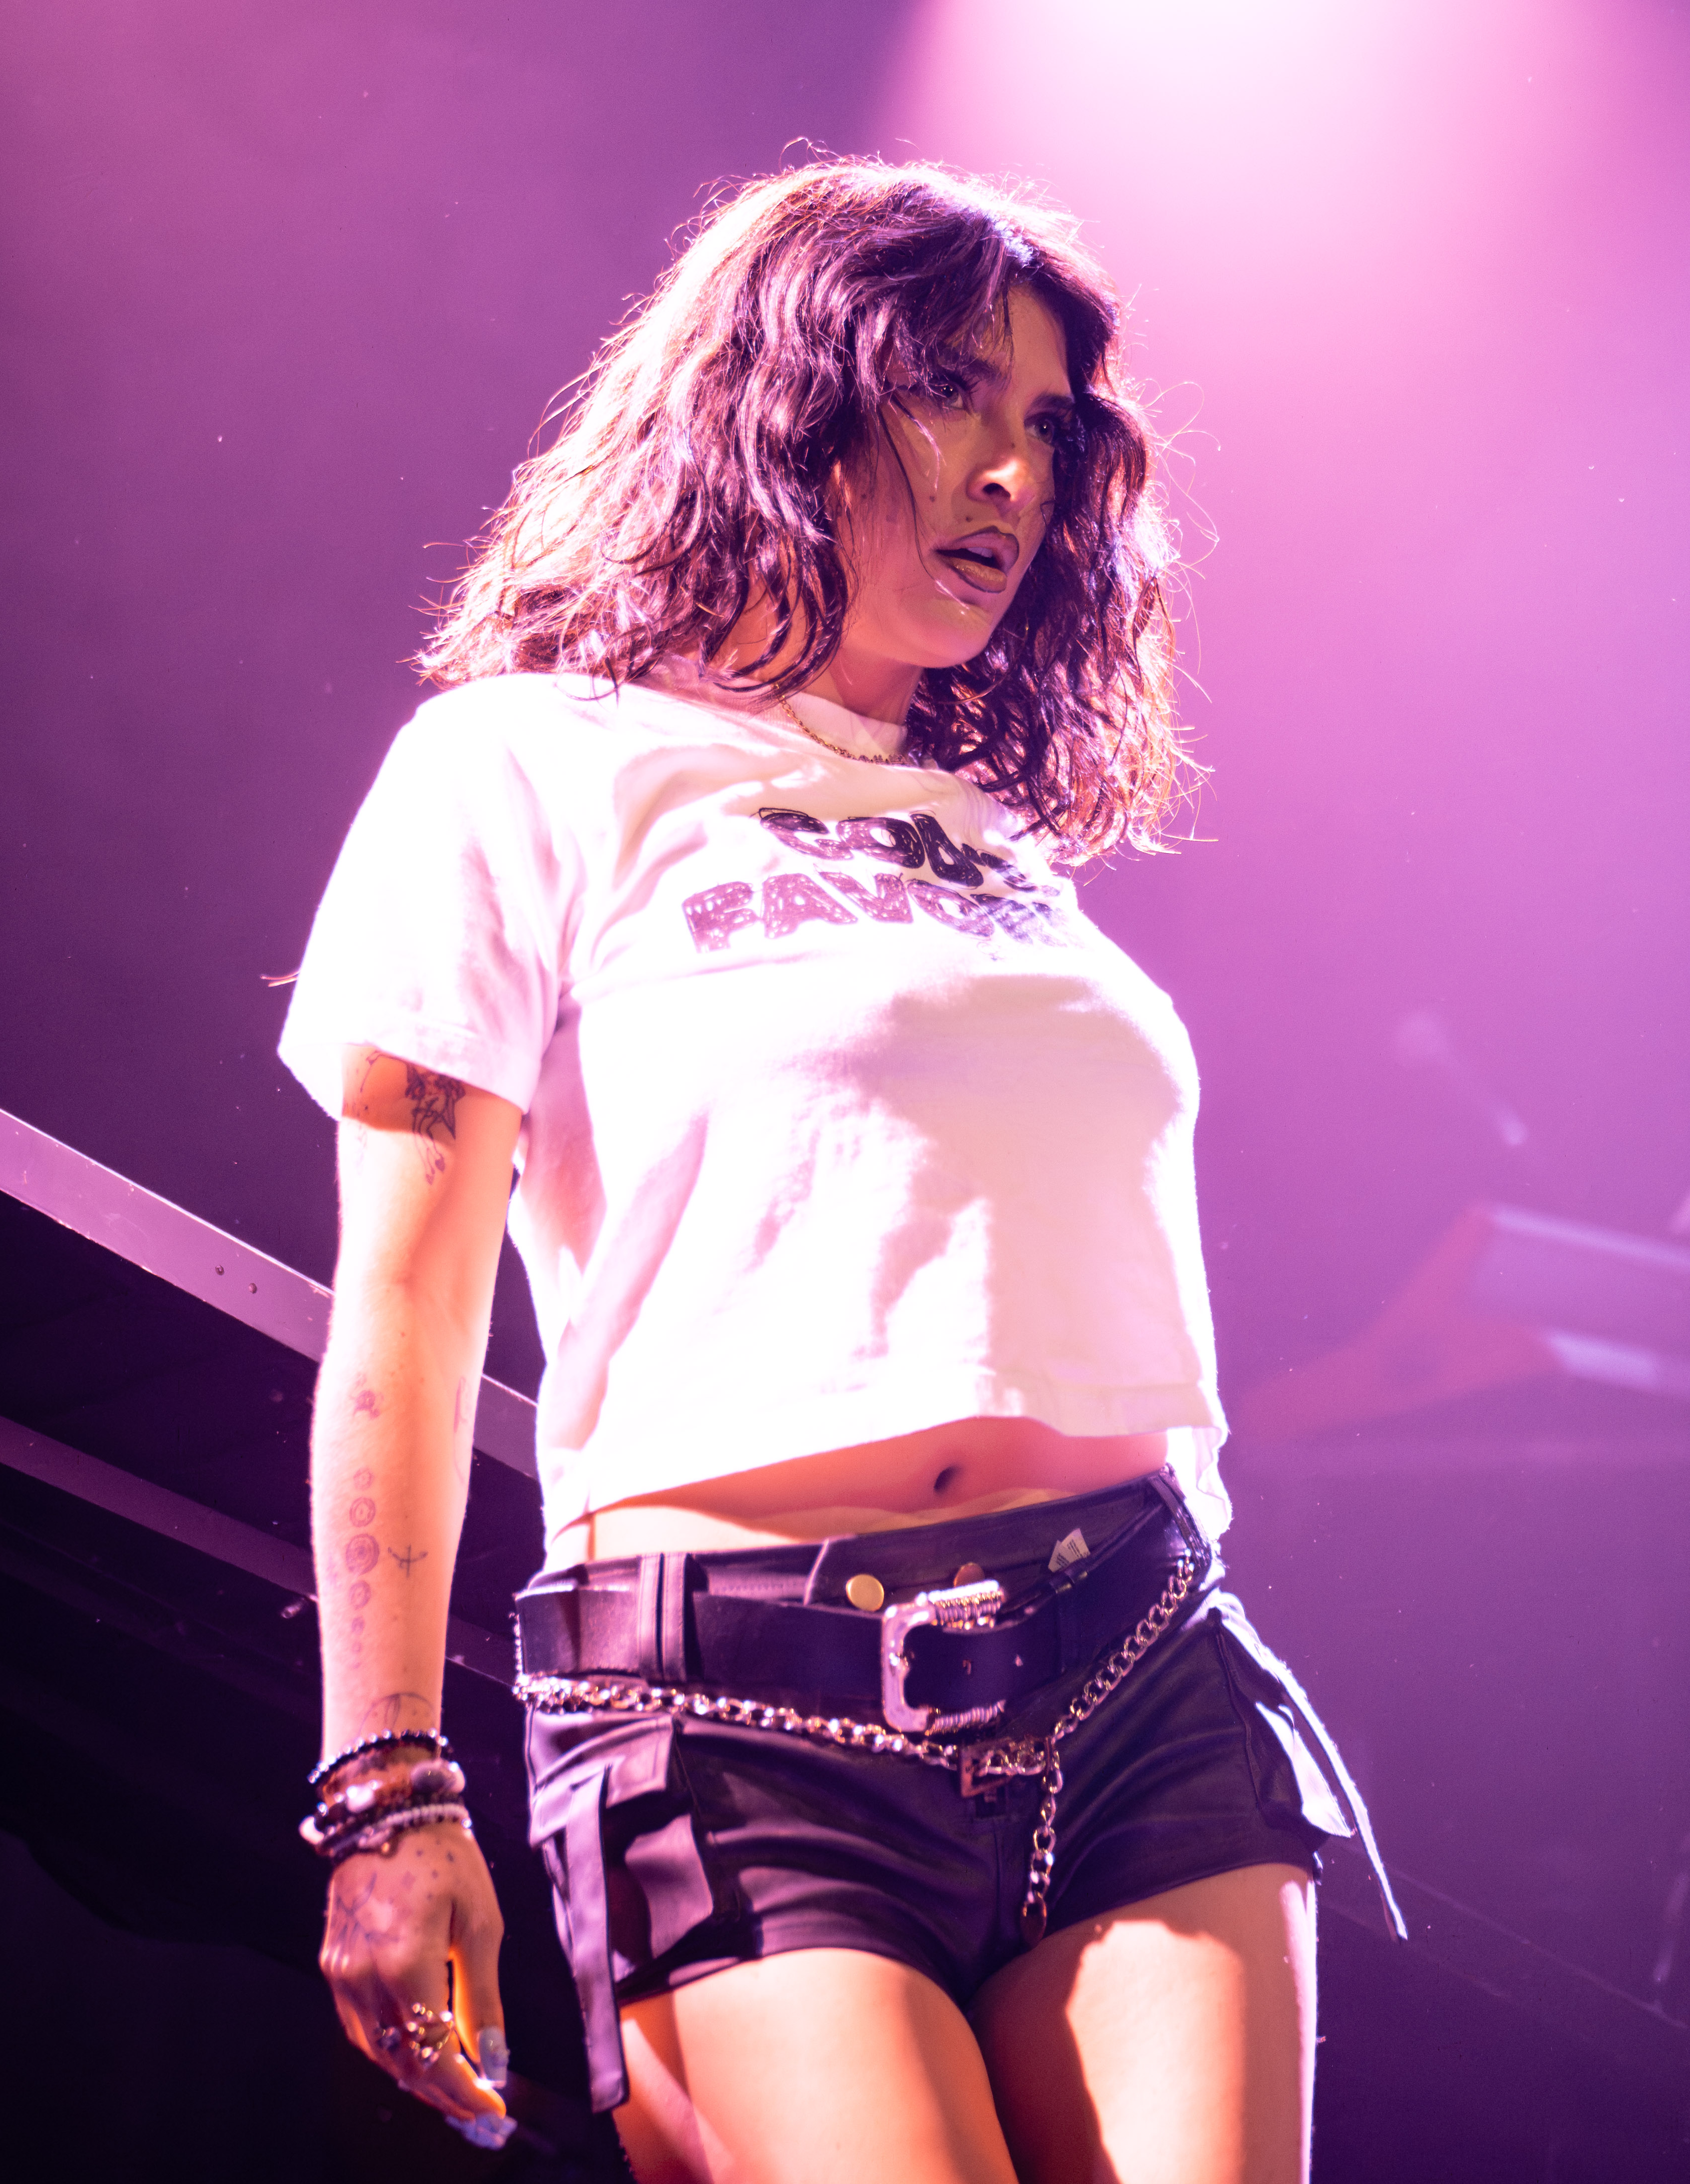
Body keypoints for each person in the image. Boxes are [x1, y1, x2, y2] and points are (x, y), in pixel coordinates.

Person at [279, 159, 1399, 2183]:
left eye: (1045, 423)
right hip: (739, 1719)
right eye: (950, 390)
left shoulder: (997, 833)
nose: (1012, 473)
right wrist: (386, 1786)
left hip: (1136, 1659)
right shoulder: (522, 763)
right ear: (787, 396)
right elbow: (407, 1312)